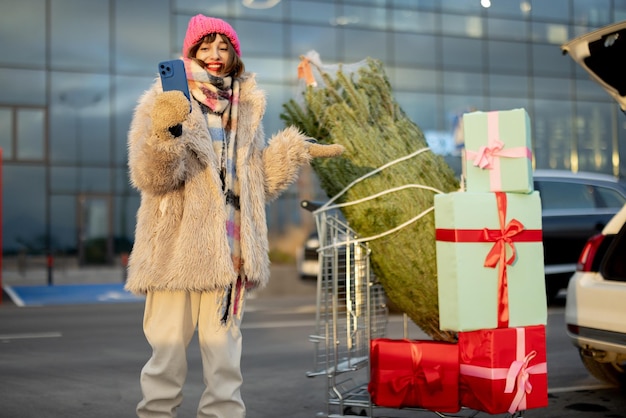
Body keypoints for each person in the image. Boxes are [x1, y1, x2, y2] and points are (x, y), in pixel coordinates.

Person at [124, 14, 344, 418]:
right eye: (205, 46)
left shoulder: (245, 109)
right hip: (175, 253)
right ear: (190, 52)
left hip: (229, 254)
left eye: (224, 47)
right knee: (166, 363)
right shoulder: (164, 100)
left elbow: (254, 183)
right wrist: (165, 134)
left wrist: (292, 150)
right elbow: (151, 178)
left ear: (234, 55)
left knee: (225, 369)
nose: (215, 55)